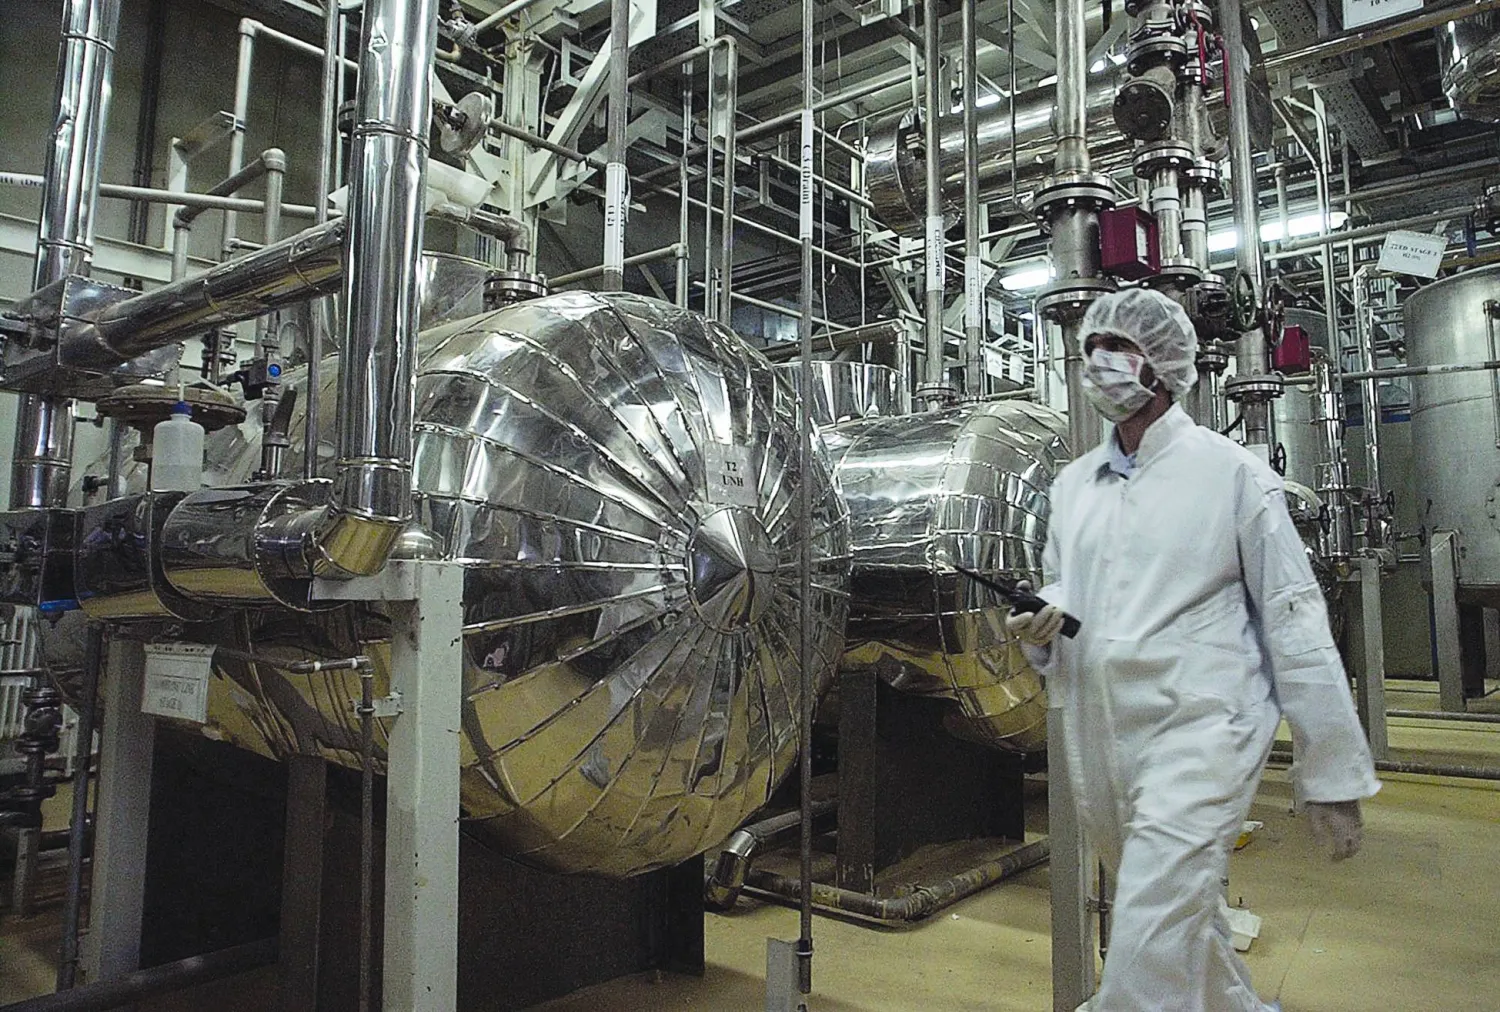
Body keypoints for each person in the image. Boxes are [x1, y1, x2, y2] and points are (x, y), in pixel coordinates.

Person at [1009, 288, 1380, 1012]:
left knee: (1148, 932)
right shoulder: (1074, 486)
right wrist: (1046, 624)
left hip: (1204, 727)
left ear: (1167, 365)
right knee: (1181, 919)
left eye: (1120, 348)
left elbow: (1294, 620)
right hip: (1106, 733)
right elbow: (1073, 595)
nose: (1102, 364)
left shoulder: (1231, 475)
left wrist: (1329, 768)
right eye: (1091, 351)